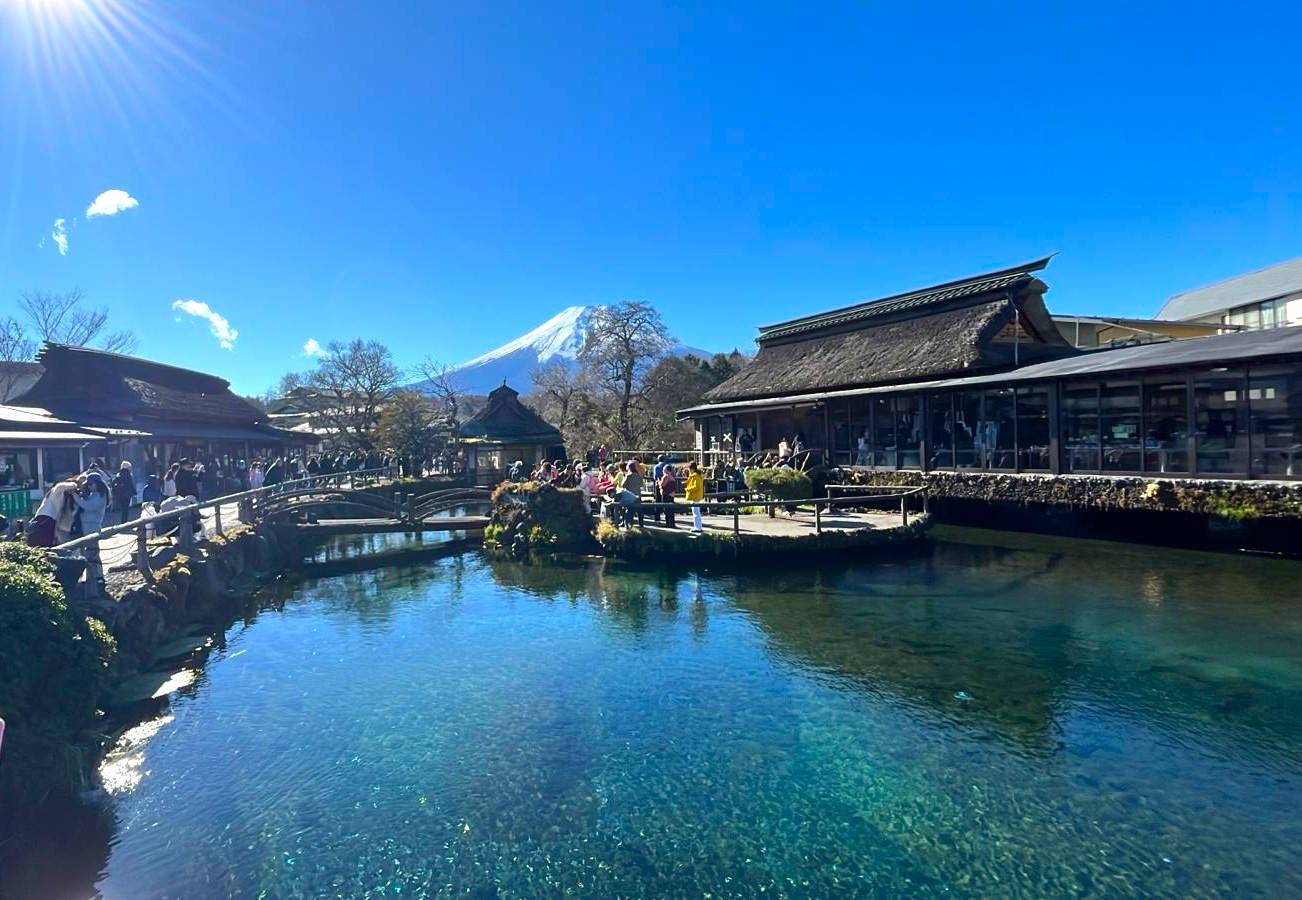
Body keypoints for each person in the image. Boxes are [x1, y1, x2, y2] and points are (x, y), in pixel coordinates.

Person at [74, 473, 109, 587]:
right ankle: (94, 576)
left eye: (91, 484)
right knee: (90, 553)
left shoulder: (100, 496)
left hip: (92, 527)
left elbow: (88, 506)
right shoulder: (93, 495)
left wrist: (75, 496)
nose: (89, 486)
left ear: (97, 484)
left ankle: (97, 577)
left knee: (92, 553)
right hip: (87, 527)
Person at [618, 460, 644, 527]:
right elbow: (641, 484)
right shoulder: (639, 475)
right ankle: (641, 524)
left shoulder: (628, 476)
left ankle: (628, 524)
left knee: (628, 511)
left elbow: (623, 485)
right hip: (638, 494)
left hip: (630, 495)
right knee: (639, 511)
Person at [684, 460, 705, 533]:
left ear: (692, 468)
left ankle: (697, 527)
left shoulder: (695, 476)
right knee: (696, 512)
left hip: (695, 496)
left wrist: (687, 489)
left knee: (696, 513)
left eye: (689, 469)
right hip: (696, 495)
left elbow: (696, 486)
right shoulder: (697, 475)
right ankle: (698, 526)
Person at [658, 463, 679, 528]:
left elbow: (662, 485)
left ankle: (668, 523)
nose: (663, 470)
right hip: (671, 494)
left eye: (664, 469)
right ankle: (672, 523)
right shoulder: (672, 477)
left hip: (666, 494)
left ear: (666, 470)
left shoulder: (666, 476)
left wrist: (659, 481)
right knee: (671, 509)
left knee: (666, 509)